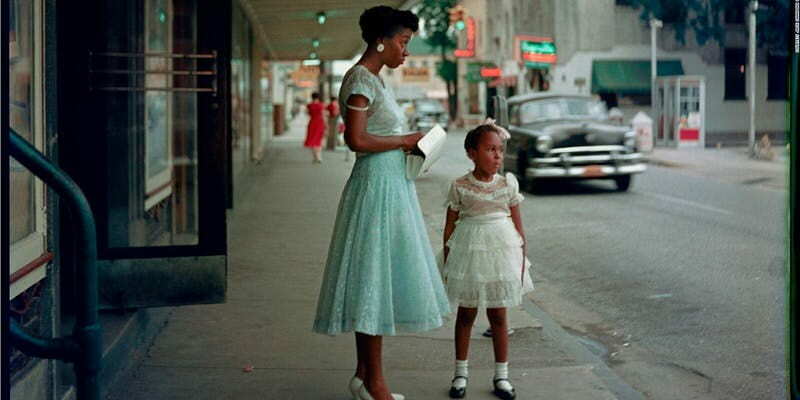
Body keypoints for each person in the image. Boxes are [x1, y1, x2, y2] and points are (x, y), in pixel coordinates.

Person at [311, 6, 451, 400]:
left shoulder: (373, 79)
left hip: (390, 185)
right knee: (373, 279)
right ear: (381, 40)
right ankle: (375, 383)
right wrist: (407, 139)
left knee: (377, 280)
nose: (406, 51)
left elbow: (371, 133)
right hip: (376, 187)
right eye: (403, 42)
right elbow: (356, 140)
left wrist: (410, 141)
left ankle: (364, 375)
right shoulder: (361, 79)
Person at [440, 121, 534, 400]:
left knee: (498, 315)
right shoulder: (459, 186)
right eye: (490, 150)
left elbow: (519, 230)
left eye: (500, 150)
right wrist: (448, 263)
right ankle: (460, 373)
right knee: (466, 314)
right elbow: (449, 228)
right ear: (472, 153)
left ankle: (502, 376)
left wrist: (519, 261)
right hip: (469, 253)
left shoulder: (507, 185)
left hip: (501, 254)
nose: (497, 156)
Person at [304, 92, 326, 163]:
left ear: (312, 97)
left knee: (312, 140)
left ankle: (315, 157)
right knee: (318, 140)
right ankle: (319, 157)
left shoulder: (309, 105)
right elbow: (323, 115)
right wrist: (326, 125)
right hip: (320, 123)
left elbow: (307, 113)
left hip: (312, 123)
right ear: (318, 97)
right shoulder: (321, 105)